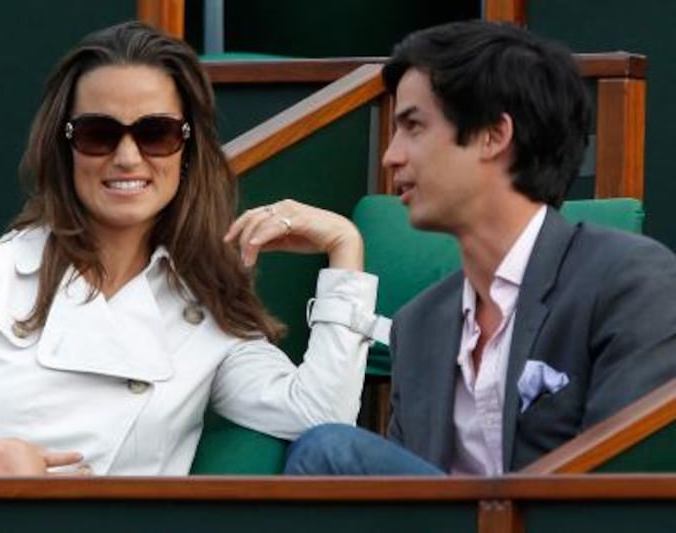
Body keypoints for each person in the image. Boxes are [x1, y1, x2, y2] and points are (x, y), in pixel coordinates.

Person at [0, 21, 380, 476]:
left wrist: (344, 248)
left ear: (187, 149)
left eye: (155, 133)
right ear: (65, 146)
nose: (126, 157)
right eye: (99, 134)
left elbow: (319, 416)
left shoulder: (205, 307)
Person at [284, 19, 676, 476]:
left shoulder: (632, 281)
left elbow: (620, 490)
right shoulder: (418, 326)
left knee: (329, 451)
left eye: (413, 127)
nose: (391, 155)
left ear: (494, 135)